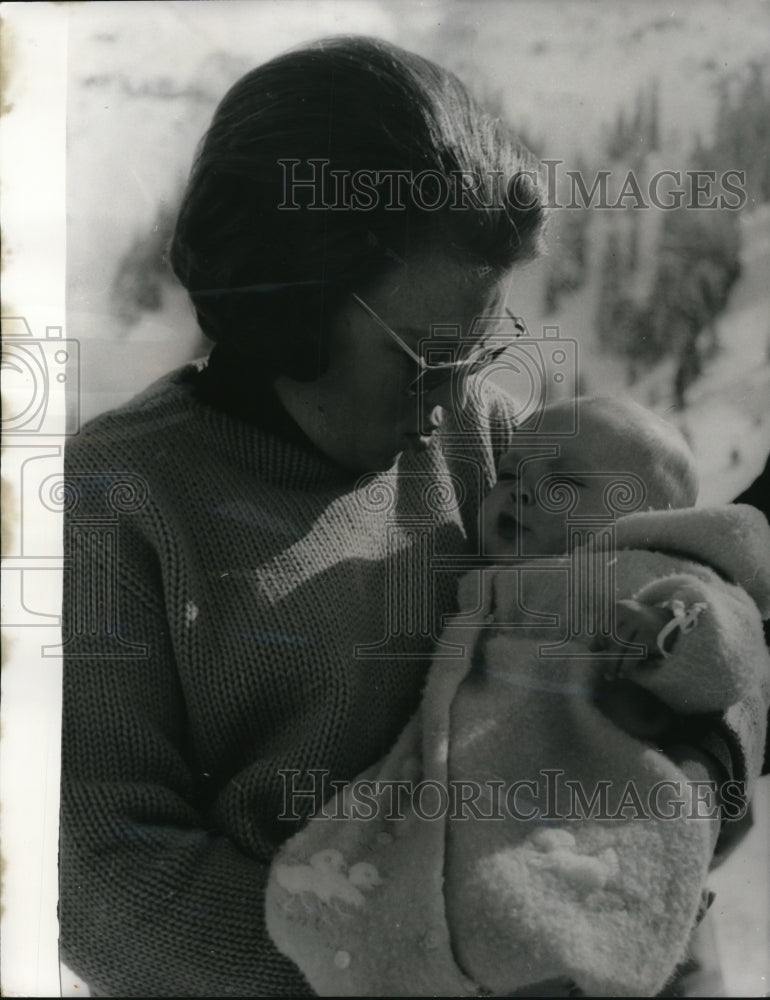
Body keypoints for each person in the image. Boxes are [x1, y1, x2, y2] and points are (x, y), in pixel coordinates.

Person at [59, 35, 756, 997]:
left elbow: (653, 618)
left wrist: (698, 757)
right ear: (285, 314)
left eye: (480, 348)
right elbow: (100, 871)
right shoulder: (117, 500)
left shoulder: (485, 442)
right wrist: (409, 964)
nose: (458, 394)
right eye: (427, 358)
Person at [264, 397, 770, 996]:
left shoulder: (645, 574)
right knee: (331, 888)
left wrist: (663, 634)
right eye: (508, 474)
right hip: (480, 792)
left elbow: (725, 639)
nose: (522, 490)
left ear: (649, 517)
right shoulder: (499, 580)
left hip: (588, 808)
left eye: (563, 482)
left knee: (531, 924)